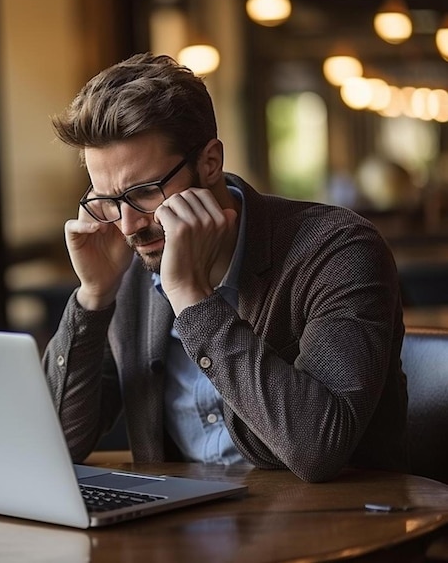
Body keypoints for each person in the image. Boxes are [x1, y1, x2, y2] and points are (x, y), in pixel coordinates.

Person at [42, 52, 407, 483]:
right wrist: (94, 297)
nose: (128, 225)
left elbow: (318, 450)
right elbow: (55, 445)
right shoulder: (126, 266)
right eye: (107, 200)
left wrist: (191, 298)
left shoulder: (336, 247)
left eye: (144, 192)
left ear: (210, 162)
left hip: (331, 530)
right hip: (174, 536)